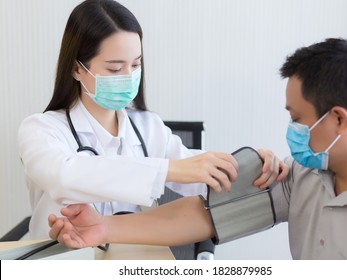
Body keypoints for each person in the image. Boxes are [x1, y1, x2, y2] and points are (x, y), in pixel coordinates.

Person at [49, 38, 347, 259]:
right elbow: (208, 215)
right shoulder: (304, 174)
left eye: (298, 119)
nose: (293, 132)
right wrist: (105, 227)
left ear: (339, 121)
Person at [18, 0, 284, 240]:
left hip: (130, 258)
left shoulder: (149, 127)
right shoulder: (40, 129)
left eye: (135, 65)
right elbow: (64, 177)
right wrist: (169, 170)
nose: (129, 75)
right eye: (115, 68)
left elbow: (203, 178)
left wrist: (254, 165)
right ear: (77, 68)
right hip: (59, 261)